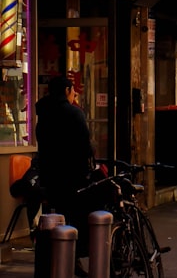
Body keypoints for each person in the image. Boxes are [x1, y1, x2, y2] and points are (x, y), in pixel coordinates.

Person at [35, 75, 95, 275]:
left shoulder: (43, 114)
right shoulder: (73, 114)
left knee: (54, 218)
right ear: (67, 91)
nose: (75, 94)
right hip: (72, 177)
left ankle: (55, 261)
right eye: (73, 90)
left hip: (49, 177)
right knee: (75, 218)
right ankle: (72, 259)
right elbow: (84, 146)